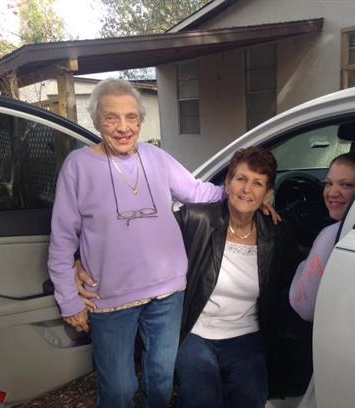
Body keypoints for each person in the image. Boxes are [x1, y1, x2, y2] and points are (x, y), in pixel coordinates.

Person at [47, 78, 224, 408]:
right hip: (110, 298)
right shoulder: (78, 167)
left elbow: (197, 191)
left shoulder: (156, 157)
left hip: (168, 292)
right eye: (112, 117)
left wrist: (243, 195)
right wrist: (68, 298)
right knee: (118, 390)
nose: (123, 127)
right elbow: (61, 239)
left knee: (159, 381)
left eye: (132, 117)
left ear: (141, 121)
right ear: (97, 120)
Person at [174, 146, 300, 408]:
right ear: (227, 183)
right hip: (196, 333)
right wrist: (78, 261)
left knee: (250, 397)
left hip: (246, 335)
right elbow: (144, 240)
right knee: (202, 399)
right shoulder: (196, 220)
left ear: (267, 194)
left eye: (257, 183)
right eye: (241, 179)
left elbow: (286, 288)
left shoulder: (277, 234)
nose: (246, 189)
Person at [288, 149, 355, 407]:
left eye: (346, 185)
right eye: (328, 183)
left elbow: (303, 306)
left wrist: (301, 265)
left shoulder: (333, 235)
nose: (332, 193)